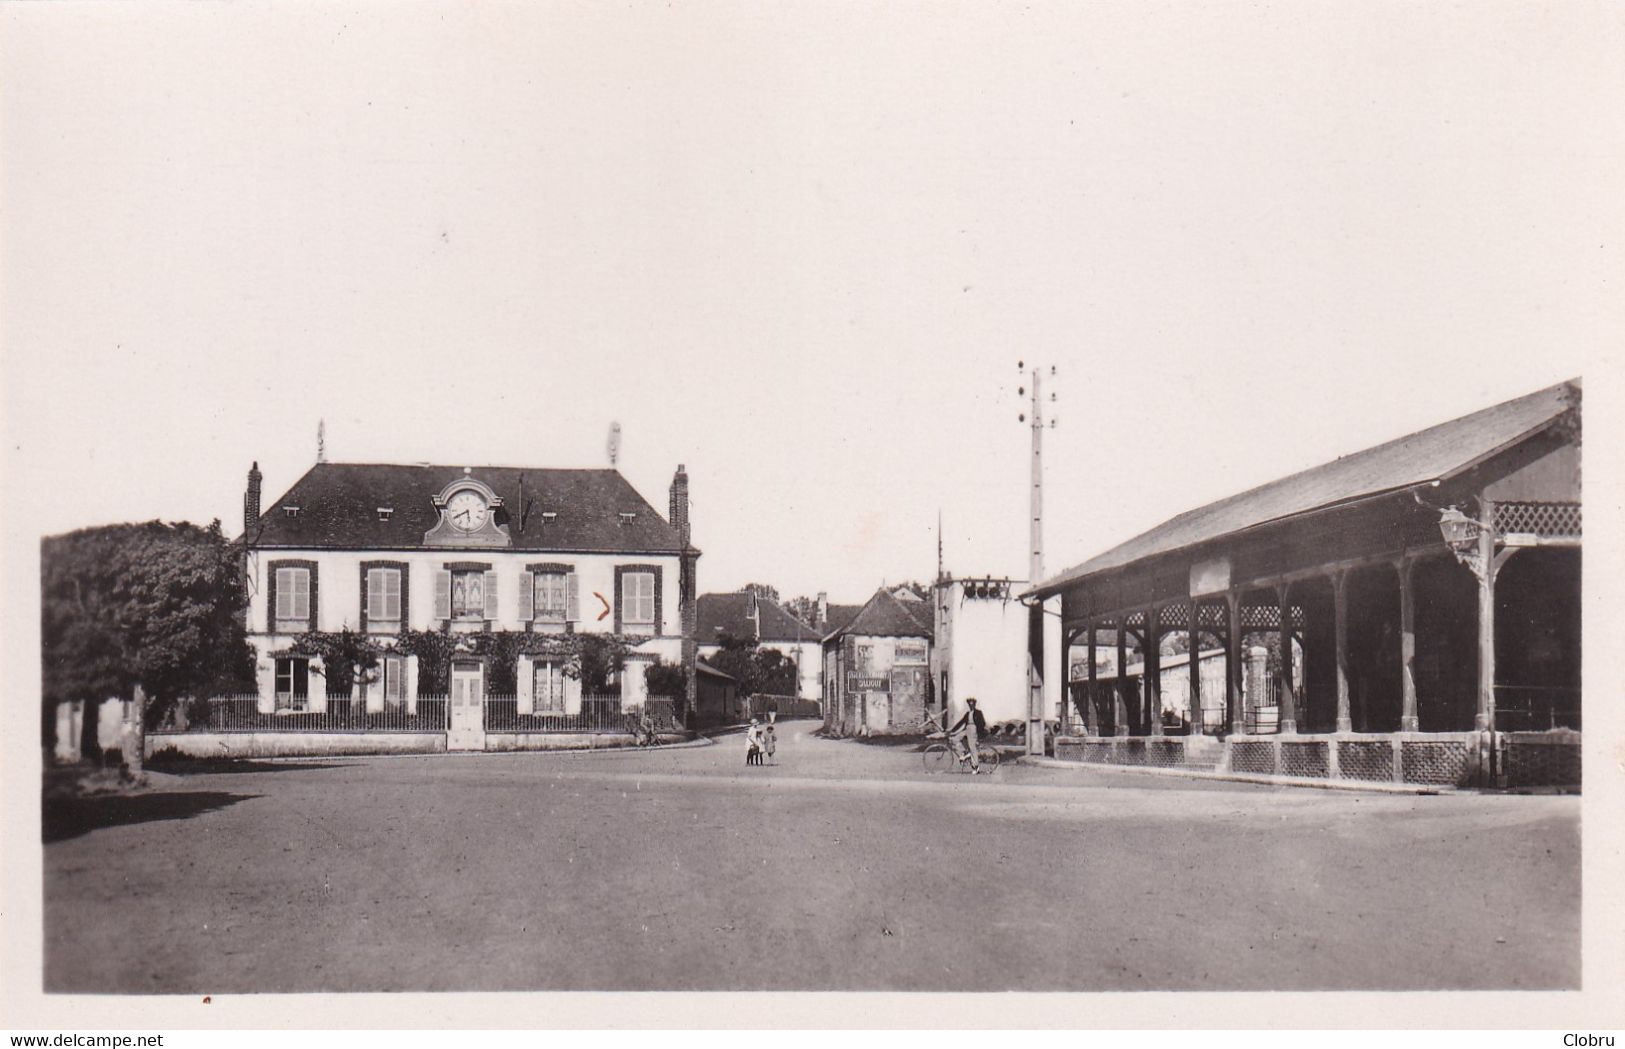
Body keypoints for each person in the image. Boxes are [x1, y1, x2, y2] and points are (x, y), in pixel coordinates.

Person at [949, 697, 989, 774]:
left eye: (972, 704)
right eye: (969, 705)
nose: (971, 706)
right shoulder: (967, 714)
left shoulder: (978, 713)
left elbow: (982, 723)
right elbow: (961, 722)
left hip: (974, 729)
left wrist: (979, 733)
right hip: (967, 729)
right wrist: (952, 730)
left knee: (972, 747)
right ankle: (964, 753)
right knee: (955, 739)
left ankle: (976, 767)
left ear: (974, 704)